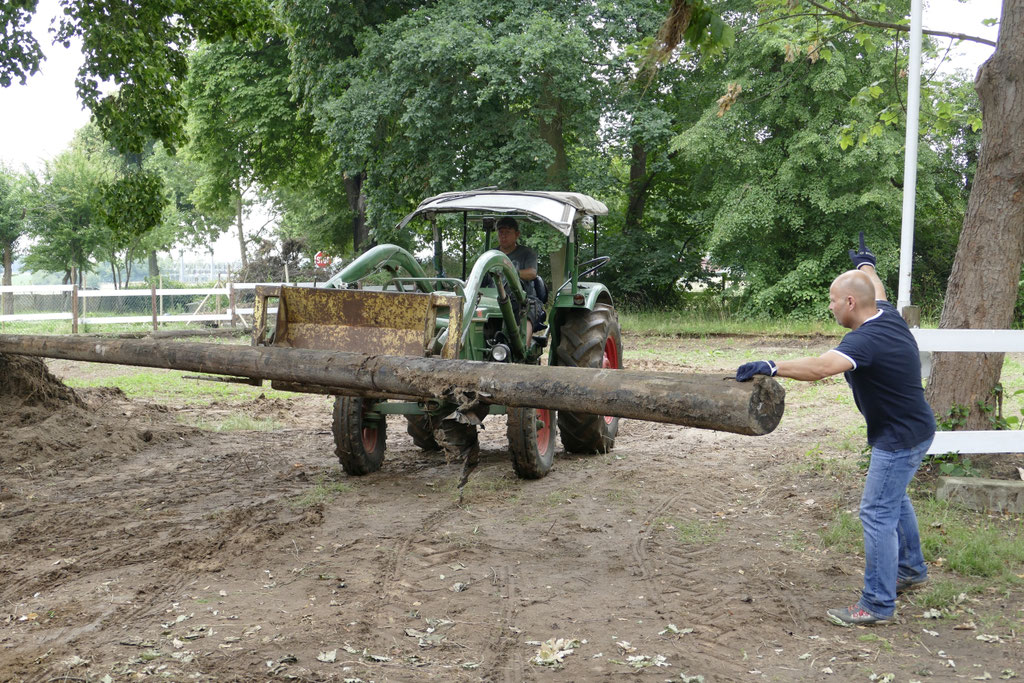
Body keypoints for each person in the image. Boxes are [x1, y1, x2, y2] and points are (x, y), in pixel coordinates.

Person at [735, 234, 936, 627]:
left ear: (849, 303)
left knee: (876, 511)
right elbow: (873, 289)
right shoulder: (887, 316)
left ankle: (877, 604)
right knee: (894, 500)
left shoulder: (865, 341)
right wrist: (866, 265)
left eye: (832, 299)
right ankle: (910, 570)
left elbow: (820, 368)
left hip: (898, 437)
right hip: (914, 428)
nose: (829, 306)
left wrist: (771, 365)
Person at [495, 216, 545, 338]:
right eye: (501, 232)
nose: (503, 236)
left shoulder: (527, 253)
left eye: (507, 232)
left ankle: (522, 350)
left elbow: (532, 273)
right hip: (493, 299)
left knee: (528, 313)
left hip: (523, 299)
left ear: (517, 234)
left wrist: (510, 272)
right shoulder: (491, 255)